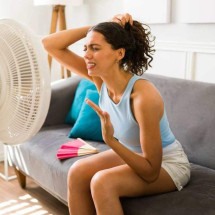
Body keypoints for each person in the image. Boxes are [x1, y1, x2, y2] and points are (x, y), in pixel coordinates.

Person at [42, 13, 191, 215]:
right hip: (134, 153)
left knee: (102, 182)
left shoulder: (143, 96)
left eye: (95, 48)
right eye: (86, 48)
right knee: (77, 172)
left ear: (119, 53)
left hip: (168, 164)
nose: (86, 55)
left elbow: (150, 171)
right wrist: (100, 27)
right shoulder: (100, 79)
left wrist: (110, 141)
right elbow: (50, 44)